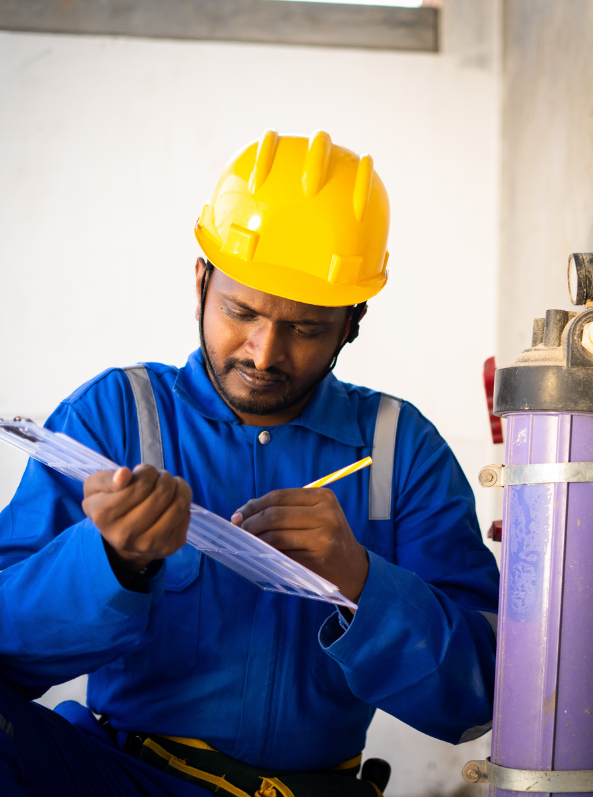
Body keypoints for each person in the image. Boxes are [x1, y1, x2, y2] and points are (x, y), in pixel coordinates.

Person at [0, 130, 499, 797]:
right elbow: (7, 651)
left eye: (305, 327)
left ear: (352, 322)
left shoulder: (398, 447)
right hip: (122, 777)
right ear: (201, 279)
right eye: (241, 311)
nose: (264, 352)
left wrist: (360, 581)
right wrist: (110, 560)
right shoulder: (117, 413)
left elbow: (478, 694)